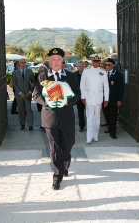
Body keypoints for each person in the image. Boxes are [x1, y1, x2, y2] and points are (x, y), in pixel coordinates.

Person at [32, 48, 80, 190]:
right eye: (53, 59)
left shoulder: (71, 76)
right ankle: (56, 176)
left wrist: (68, 101)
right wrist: (47, 103)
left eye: (58, 59)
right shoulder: (42, 76)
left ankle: (65, 163)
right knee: (54, 148)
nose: (56, 62)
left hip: (67, 117)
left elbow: (77, 93)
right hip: (50, 117)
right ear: (49, 62)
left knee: (68, 144)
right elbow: (36, 95)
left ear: (62, 61)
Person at [80, 54, 109, 144]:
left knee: (97, 118)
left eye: (97, 61)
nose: (96, 63)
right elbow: (82, 85)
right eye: (94, 61)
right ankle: (89, 136)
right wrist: (83, 97)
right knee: (90, 118)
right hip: (88, 98)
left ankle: (95, 134)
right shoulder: (86, 71)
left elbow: (106, 87)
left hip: (99, 98)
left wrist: (106, 98)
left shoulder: (103, 72)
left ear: (100, 62)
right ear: (92, 62)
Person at [103, 58, 124, 139]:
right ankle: (109, 128)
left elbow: (120, 88)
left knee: (113, 116)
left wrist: (119, 99)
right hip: (105, 99)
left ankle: (113, 132)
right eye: (106, 65)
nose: (107, 66)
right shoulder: (103, 74)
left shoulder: (118, 74)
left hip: (113, 99)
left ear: (113, 65)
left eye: (109, 65)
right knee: (106, 115)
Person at [13, 58, 35, 131]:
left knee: (28, 110)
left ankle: (30, 126)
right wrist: (20, 93)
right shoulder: (15, 72)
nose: (23, 64)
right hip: (19, 95)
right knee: (21, 110)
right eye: (22, 62)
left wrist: (30, 92)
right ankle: (22, 124)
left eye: (24, 62)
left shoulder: (30, 72)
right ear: (19, 64)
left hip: (27, 94)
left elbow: (33, 83)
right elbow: (15, 84)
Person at [34, 64, 48, 130]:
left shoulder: (48, 76)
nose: (42, 72)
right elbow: (35, 84)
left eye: (43, 70)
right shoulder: (37, 76)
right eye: (41, 71)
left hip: (47, 95)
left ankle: (45, 124)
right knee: (40, 110)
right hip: (40, 95)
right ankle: (42, 123)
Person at [74, 60, 86, 132]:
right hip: (78, 97)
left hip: (87, 96)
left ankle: (91, 127)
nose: (80, 68)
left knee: (89, 113)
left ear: (84, 66)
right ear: (77, 67)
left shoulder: (87, 74)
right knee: (80, 113)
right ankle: (82, 126)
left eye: (81, 66)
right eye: (79, 66)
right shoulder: (74, 75)